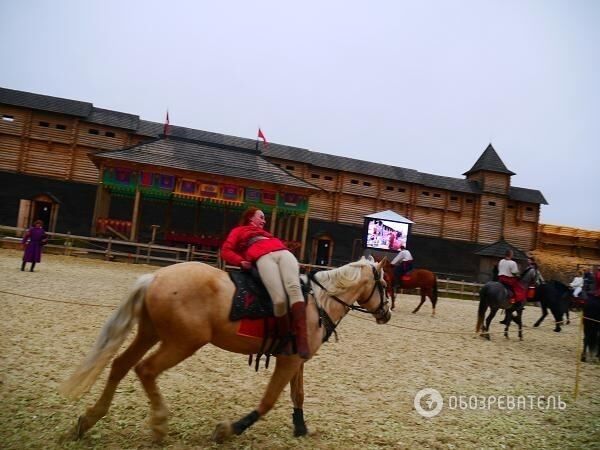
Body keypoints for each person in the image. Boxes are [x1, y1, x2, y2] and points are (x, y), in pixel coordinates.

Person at [221, 207, 309, 359]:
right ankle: (285, 337)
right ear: (250, 218)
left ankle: (302, 337)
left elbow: (277, 245)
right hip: (261, 256)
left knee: (294, 288)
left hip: (283, 252)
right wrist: (241, 261)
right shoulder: (238, 231)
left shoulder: (268, 235)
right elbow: (226, 250)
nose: (264, 220)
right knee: (279, 299)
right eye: (261, 217)